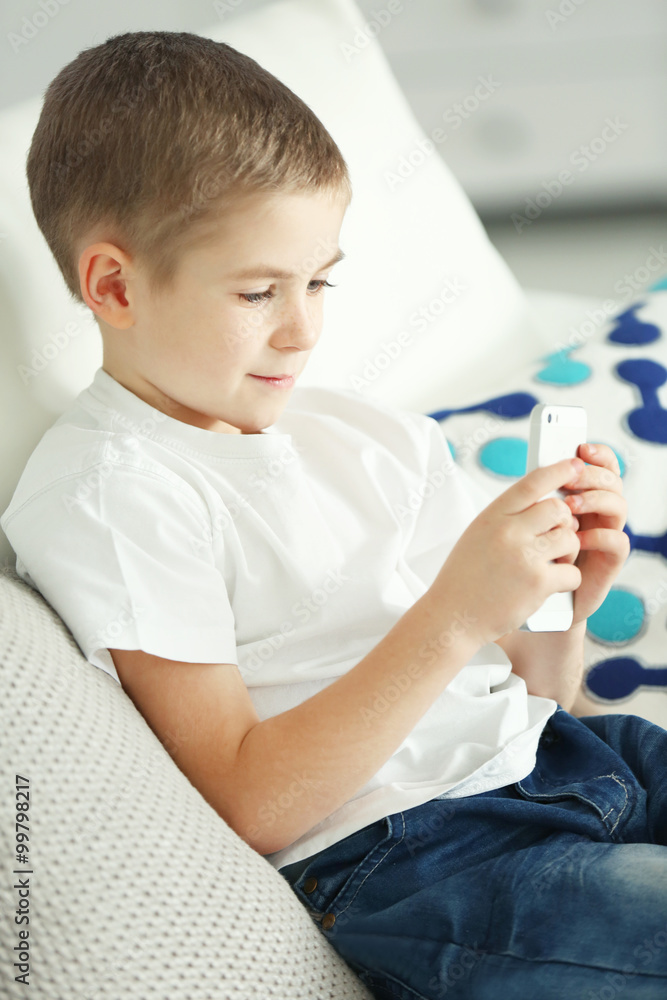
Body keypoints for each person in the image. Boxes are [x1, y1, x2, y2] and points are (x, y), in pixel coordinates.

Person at [2, 30, 666, 1000]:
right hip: (422, 860)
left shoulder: (367, 437)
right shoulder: (115, 491)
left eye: (319, 280)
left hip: (568, 759)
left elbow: (531, 695)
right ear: (114, 284)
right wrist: (455, 613)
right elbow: (249, 800)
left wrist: (559, 596)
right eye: (258, 290)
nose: (303, 327)